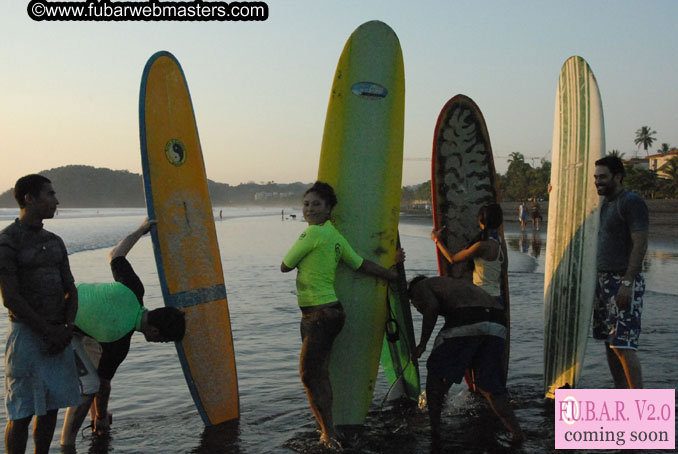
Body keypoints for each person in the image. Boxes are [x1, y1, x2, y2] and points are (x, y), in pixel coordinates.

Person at [280, 181, 402, 450]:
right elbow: (360, 264)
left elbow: (285, 265)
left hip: (319, 314)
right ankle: (328, 430)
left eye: (316, 204)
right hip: (328, 313)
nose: (309, 209)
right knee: (318, 374)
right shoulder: (334, 236)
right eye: (306, 204)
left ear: (329, 209)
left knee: (309, 375)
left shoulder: (312, 235)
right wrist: (392, 273)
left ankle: (329, 435)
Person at [59, 218, 186, 447]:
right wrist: (103, 417)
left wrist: (141, 230)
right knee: (91, 387)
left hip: (63, 302)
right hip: (57, 325)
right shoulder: (119, 343)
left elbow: (116, 253)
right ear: (155, 331)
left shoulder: (134, 289)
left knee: (93, 365)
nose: (159, 343)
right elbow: (104, 386)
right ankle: (68, 443)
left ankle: (94, 421)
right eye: (163, 340)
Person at [0, 174, 81, 454]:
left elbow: (71, 288)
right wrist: (49, 331)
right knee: (20, 412)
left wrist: (67, 328)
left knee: (51, 408)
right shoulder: (8, 242)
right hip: (27, 336)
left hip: (59, 336)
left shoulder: (55, 241)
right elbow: (11, 298)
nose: (56, 201)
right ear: (29, 198)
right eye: (49, 194)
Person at [408, 275, 523, 445]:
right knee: (490, 387)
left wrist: (422, 344)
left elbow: (431, 307)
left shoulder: (421, 286)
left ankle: (435, 434)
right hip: (498, 320)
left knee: (435, 375)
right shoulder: (455, 285)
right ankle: (517, 434)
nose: (417, 307)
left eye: (414, 304)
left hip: (469, 316)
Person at [592, 156, 648, 389]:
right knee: (610, 342)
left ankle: (638, 405)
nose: (597, 182)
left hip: (622, 281)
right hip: (602, 282)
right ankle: (621, 394)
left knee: (623, 344)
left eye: (603, 177)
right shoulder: (604, 204)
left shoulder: (631, 202)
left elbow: (640, 243)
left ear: (618, 177)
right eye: (596, 178)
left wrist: (627, 282)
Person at [431, 203, 507, 306]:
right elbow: (503, 270)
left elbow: (452, 259)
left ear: (481, 221)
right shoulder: (501, 244)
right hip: (497, 298)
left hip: (481, 297)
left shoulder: (482, 246)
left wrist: (437, 240)